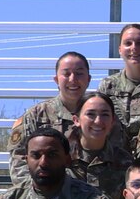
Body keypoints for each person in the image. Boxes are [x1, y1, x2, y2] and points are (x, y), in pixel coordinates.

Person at [8, 51, 93, 181]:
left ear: (88, 79)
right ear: (56, 80)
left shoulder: (101, 114)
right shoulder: (35, 116)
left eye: (79, 73)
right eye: (66, 74)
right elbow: (19, 165)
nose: (73, 79)